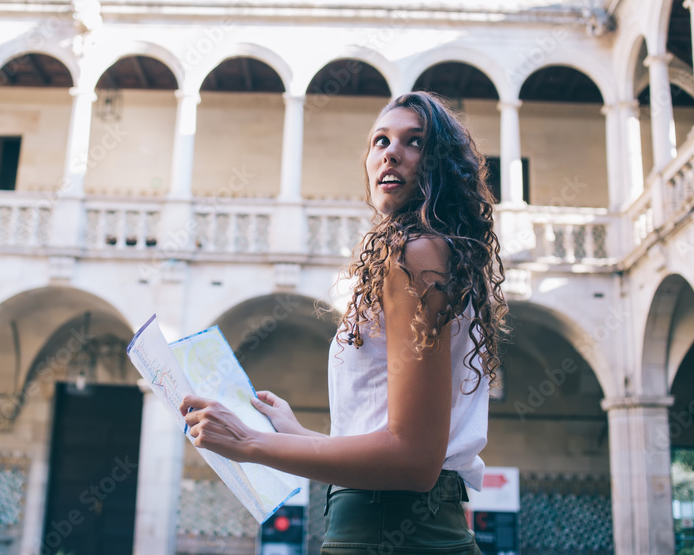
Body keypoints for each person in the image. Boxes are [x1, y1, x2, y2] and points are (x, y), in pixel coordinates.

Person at [180, 90, 509, 553]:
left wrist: (250, 442)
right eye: (380, 141)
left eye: (414, 142)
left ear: (441, 166)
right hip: (409, 527)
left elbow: (414, 460)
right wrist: (295, 434)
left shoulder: (415, 256)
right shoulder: (430, 253)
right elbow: (391, 439)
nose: (391, 151)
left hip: (388, 532)